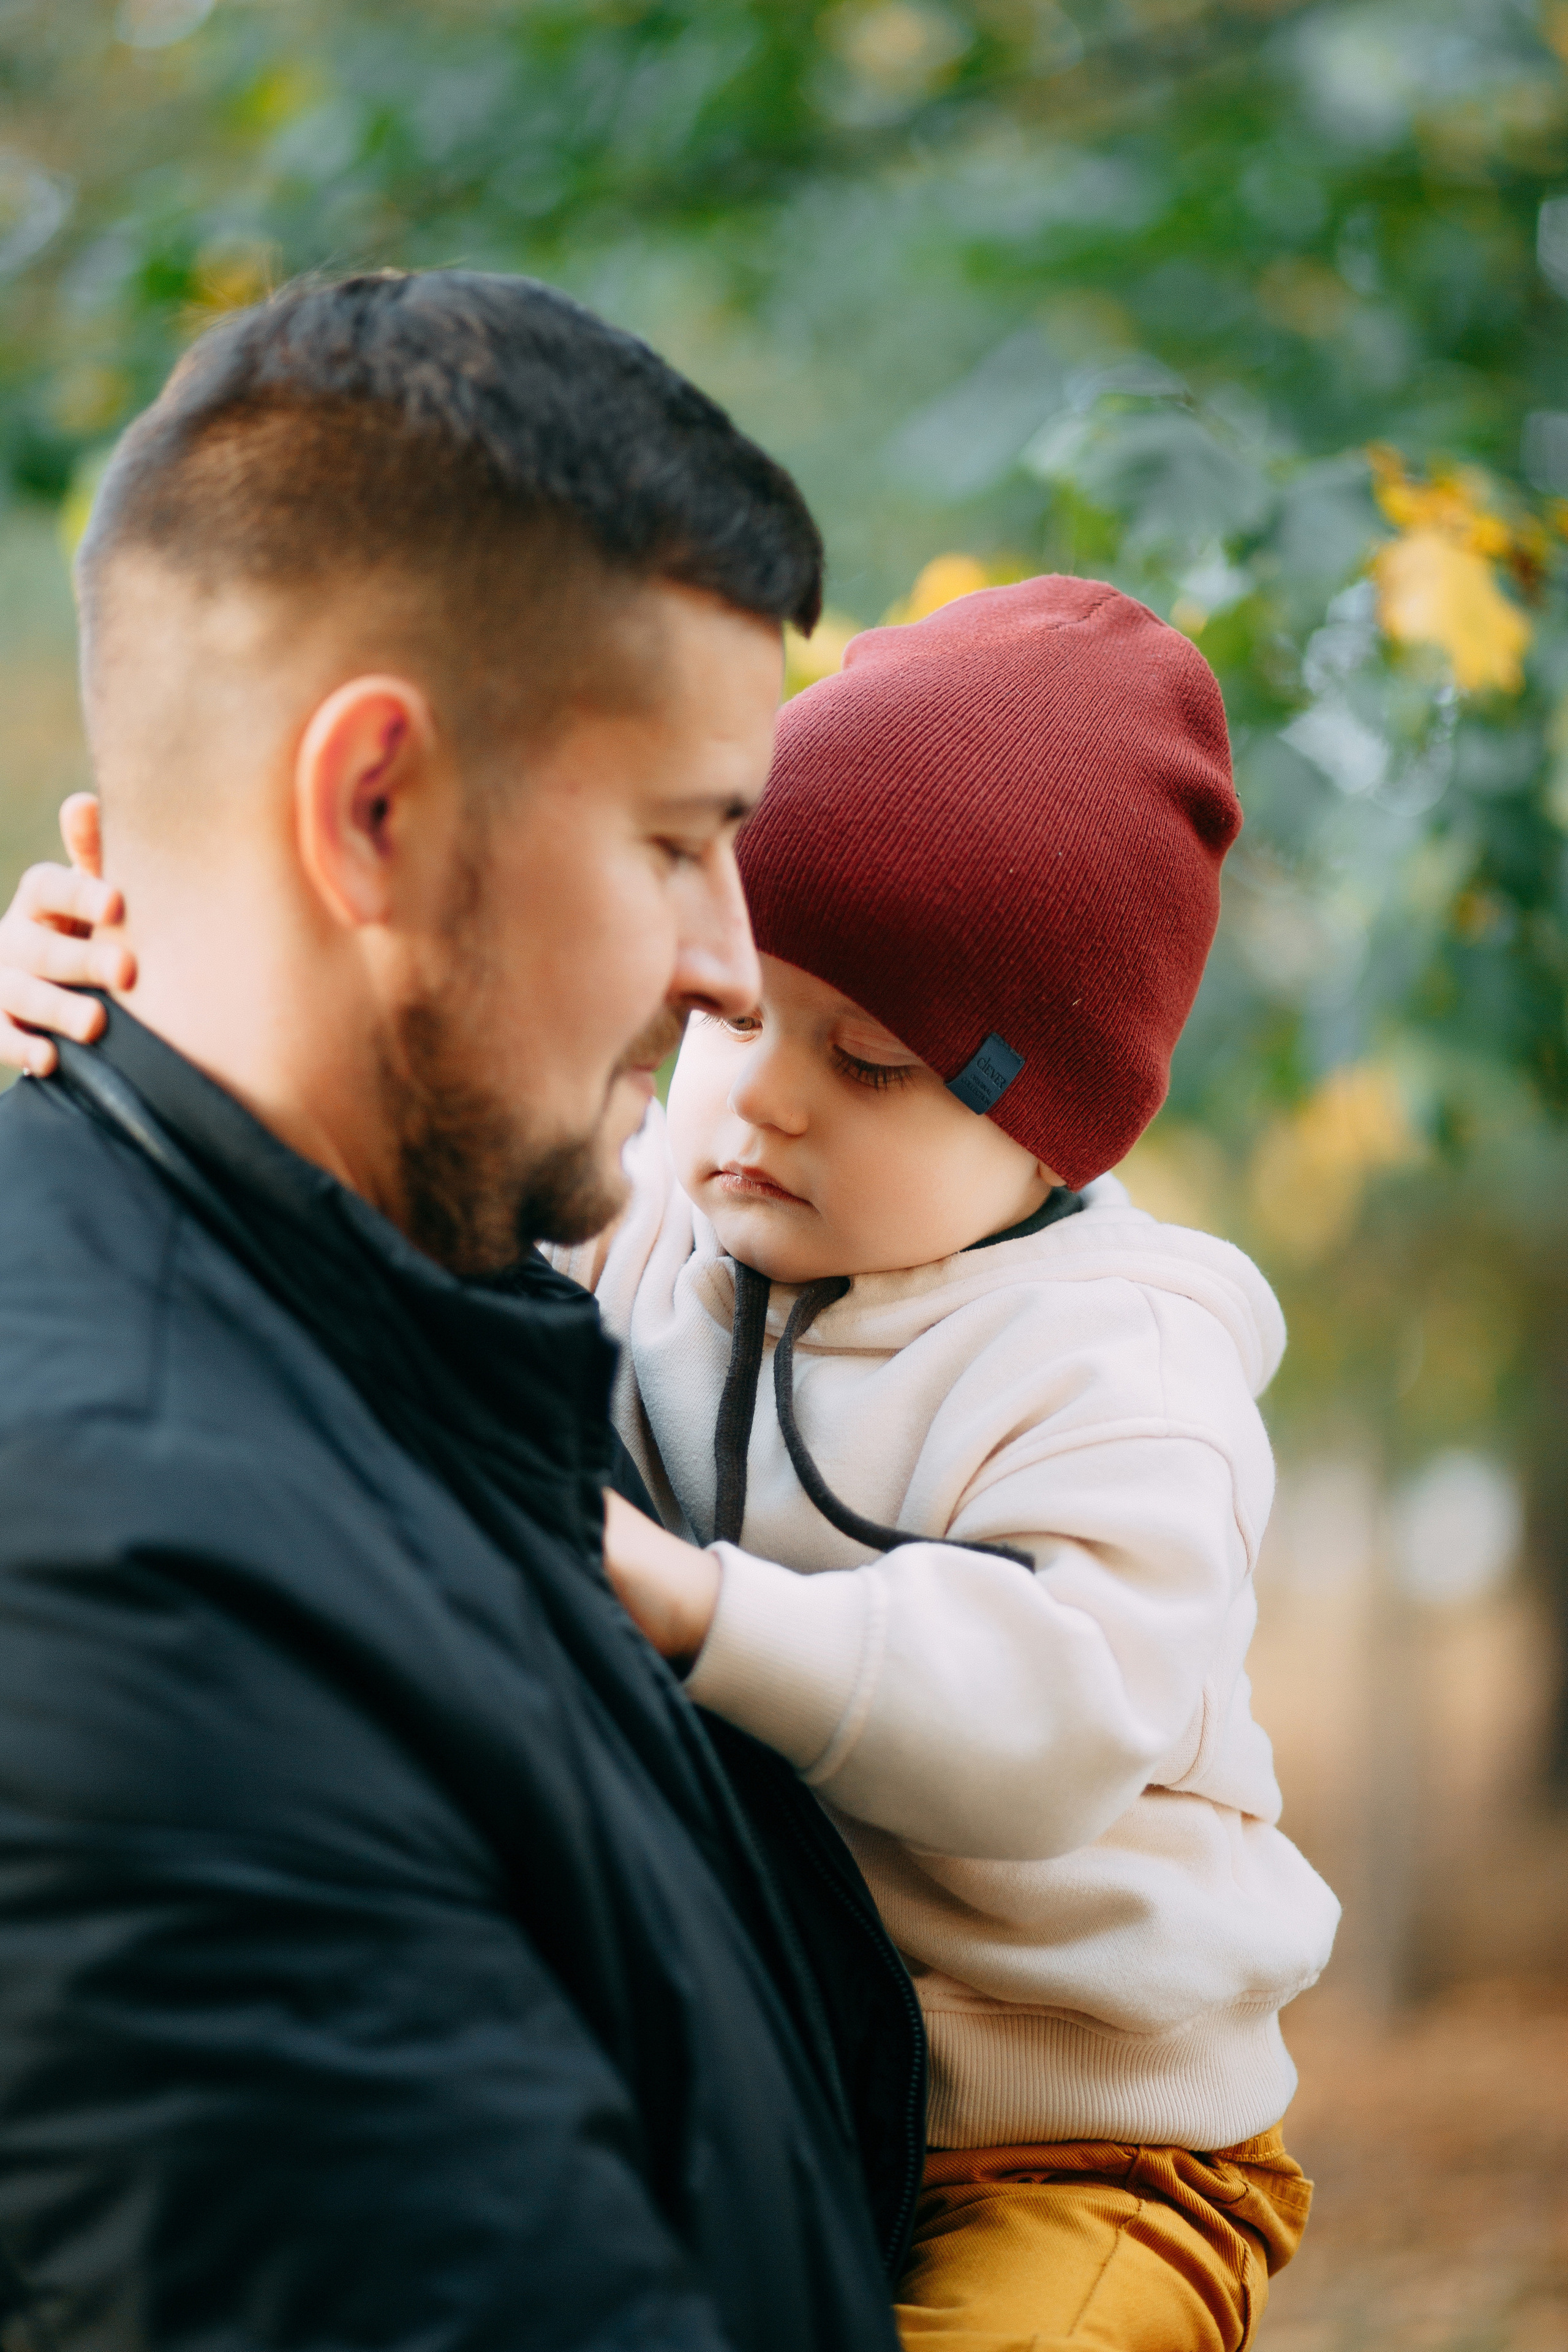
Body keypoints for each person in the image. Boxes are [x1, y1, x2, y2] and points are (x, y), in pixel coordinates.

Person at [0, 270, 922, 2352]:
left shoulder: (419, 1309)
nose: (732, 971)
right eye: (684, 843)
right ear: (374, 810)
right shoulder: (128, 1594)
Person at [497, 579, 1343, 2349]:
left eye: (869, 1060)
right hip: (767, 2083)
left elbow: (1056, 1712)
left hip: (1077, 2144)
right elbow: (404, 1206)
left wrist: (704, 1605)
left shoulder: (1119, 1367)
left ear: (1051, 1130)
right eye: (732, 1014)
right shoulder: (652, 1225)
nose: (760, 1098)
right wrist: (116, 1001)